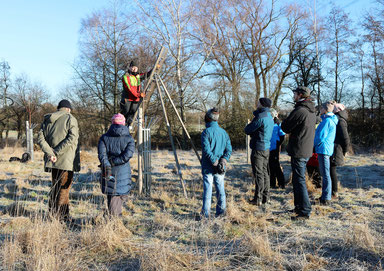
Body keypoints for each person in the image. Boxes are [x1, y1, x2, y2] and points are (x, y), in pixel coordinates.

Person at [37, 99, 80, 221]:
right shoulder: (70, 118)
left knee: (55, 187)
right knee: (64, 189)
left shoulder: (47, 119)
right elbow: (72, 138)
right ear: (68, 109)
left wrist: (50, 153)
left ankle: (54, 214)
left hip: (52, 160)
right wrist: (57, 152)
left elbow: (40, 139)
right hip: (66, 160)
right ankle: (61, 218)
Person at [281, 86, 316, 220]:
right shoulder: (311, 110)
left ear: (300, 95)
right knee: (297, 180)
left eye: (295, 93)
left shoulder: (301, 110)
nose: (293, 96)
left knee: (299, 180)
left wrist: (284, 120)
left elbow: (285, 127)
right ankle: (299, 207)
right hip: (305, 149)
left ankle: (304, 211)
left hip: (299, 149)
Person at [98, 113, 135, 216]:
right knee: (120, 195)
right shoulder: (129, 139)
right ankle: (114, 222)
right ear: (123, 123)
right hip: (123, 171)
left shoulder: (104, 138)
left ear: (112, 123)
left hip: (108, 171)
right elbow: (127, 156)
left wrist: (108, 164)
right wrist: (115, 162)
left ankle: (113, 221)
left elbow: (102, 155)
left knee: (112, 196)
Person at [200, 108, 232, 218]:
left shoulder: (206, 133)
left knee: (208, 190)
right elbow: (229, 150)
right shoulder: (224, 133)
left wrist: (214, 161)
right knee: (220, 189)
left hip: (209, 166)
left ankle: (205, 215)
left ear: (208, 118)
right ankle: (221, 213)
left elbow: (206, 150)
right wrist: (223, 160)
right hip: (220, 167)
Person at [244, 98, 274, 206]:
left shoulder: (260, 117)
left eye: (258, 102)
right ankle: (267, 197)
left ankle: (258, 198)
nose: (256, 104)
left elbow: (247, 130)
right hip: (266, 147)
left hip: (258, 147)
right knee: (265, 173)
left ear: (262, 104)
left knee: (258, 174)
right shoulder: (270, 116)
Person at [314, 101, 338, 205]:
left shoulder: (327, 121)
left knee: (325, 174)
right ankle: (325, 196)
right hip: (326, 149)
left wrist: (314, 145)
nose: (320, 109)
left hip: (323, 149)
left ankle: (326, 198)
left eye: (321, 108)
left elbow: (320, 137)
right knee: (325, 174)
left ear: (325, 109)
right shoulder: (330, 120)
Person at [120, 60, 152, 126]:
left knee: (133, 113)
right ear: (129, 68)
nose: (134, 69)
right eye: (133, 67)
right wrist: (139, 95)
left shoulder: (138, 76)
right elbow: (129, 88)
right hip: (127, 98)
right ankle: (122, 126)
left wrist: (154, 69)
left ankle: (129, 126)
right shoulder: (126, 76)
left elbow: (146, 75)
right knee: (125, 112)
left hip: (135, 99)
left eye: (136, 67)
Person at [330, 103, 350, 199]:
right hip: (334, 147)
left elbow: (345, 138)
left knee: (332, 170)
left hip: (336, 149)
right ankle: (332, 191)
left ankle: (334, 192)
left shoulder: (340, 120)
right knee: (330, 170)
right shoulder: (337, 118)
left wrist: (345, 150)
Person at [269, 108, 286, 189]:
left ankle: (281, 183)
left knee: (276, 165)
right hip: (268, 147)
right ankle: (272, 183)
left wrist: (278, 143)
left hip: (275, 147)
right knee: (270, 166)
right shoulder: (268, 123)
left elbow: (282, 136)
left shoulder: (278, 124)